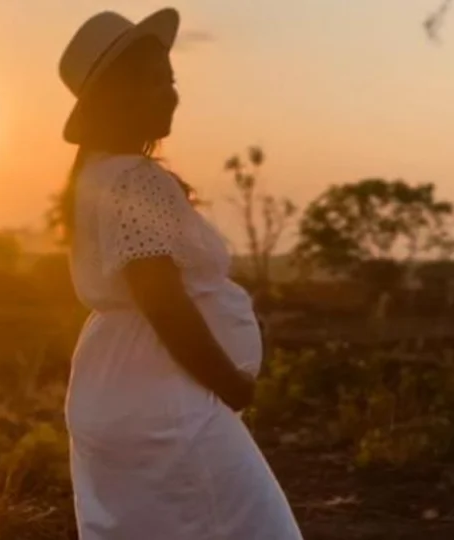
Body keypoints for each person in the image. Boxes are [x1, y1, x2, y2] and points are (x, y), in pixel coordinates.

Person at [56, 9, 303, 539]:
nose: (169, 93)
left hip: (114, 390)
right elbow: (161, 300)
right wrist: (231, 385)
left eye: (170, 78)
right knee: (254, 527)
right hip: (164, 401)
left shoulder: (94, 176)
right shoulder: (138, 181)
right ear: (116, 96)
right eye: (152, 81)